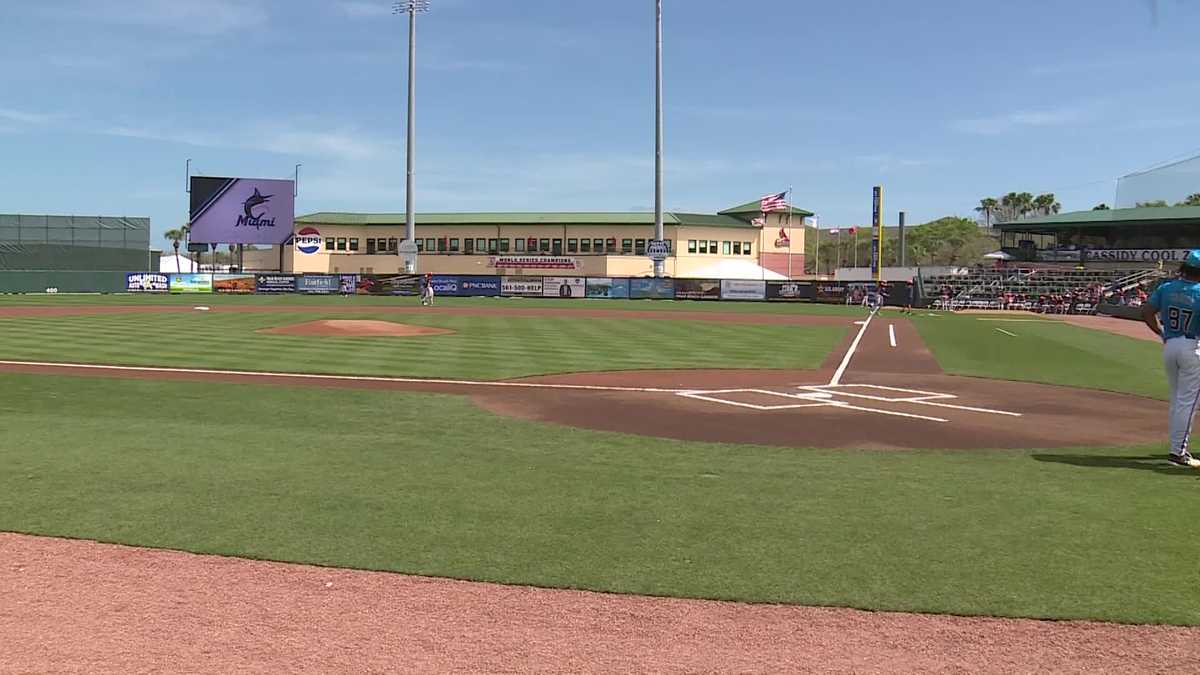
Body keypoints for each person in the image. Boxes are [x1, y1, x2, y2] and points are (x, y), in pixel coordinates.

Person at [1142, 251, 1200, 468]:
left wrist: (1161, 332)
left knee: (1178, 399)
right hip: (1192, 346)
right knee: (1188, 402)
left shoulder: (1167, 287)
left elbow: (1147, 311)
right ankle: (1178, 452)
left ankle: (1176, 447)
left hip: (1171, 343)